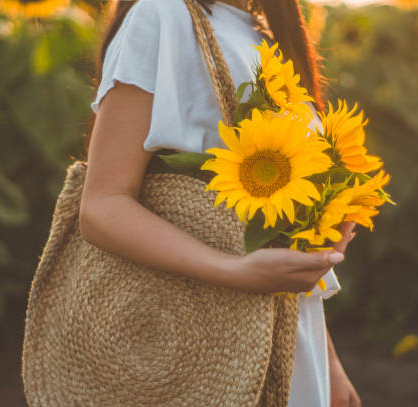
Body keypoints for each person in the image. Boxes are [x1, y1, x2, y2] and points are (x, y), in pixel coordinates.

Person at [80, 0, 361, 406]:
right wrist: (236, 270)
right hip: (198, 335)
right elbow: (102, 206)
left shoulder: (263, 30)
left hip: (288, 334)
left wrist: (328, 360)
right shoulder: (161, 15)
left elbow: (279, 238)